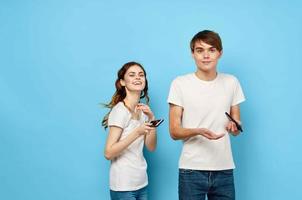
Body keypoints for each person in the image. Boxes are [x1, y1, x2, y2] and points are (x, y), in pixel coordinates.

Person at [167, 30, 245, 200]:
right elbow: (174, 131)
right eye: (200, 50)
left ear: (220, 53)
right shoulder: (180, 84)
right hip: (191, 170)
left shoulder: (232, 82)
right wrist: (199, 131)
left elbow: (237, 127)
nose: (206, 56)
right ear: (192, 54)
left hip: (224, 169)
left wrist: (235, 126)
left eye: (211, 50)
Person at [102, 61, 157, 200]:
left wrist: (152, 118)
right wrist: (136, 133)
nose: (138, 78)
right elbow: (108, 153)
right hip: (123, 185)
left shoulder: (143, 111)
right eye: (132, 75)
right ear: (123, 82)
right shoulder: (120, 111)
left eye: (141, 75)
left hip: (141, 182)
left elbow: (151, 147)